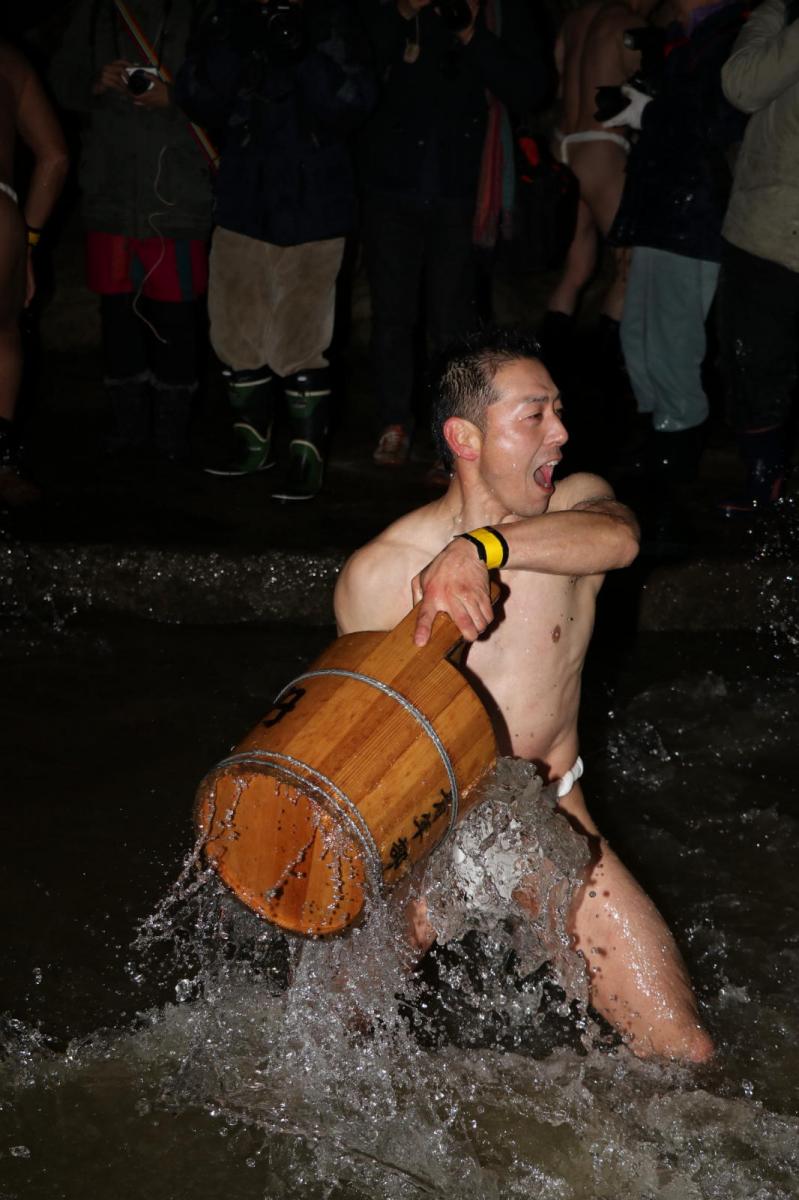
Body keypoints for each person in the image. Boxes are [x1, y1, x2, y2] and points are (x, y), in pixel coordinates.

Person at [334, 326, 714, 1063]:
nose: (561, 433)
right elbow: (364, 741)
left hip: (553, 824)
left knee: (684, 1053)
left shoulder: (575, 507)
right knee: (317, 1052)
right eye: (534, 415)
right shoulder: (377, 574)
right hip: (432, 838)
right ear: (464, 437)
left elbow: (621, 539)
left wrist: (481, 549)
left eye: (559, 411)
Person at [176, 0, 375, 500]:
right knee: (234, 329)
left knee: (302, 338)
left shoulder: (334, 16)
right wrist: (234, 40)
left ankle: (305, 458)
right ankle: (251, 446)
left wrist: (301, 50)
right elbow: (197, 98)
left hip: (316, 205)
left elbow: (352, 104)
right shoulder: (224, 14)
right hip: (244, 199)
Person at [356, 0, 553, 469]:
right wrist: (401, 16)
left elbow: (531, 89)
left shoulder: (499, 10)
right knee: (391, 317)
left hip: (464, 192)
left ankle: (454, 437)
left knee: (454, 324)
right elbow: (355, 78)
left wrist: (469, 31)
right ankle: (393, 423)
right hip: (390, 185)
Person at [50, 0, 215, 464]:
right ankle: (126, 429)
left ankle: (172, 434)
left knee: (178, 320)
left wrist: (175, 96)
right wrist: (95, 82)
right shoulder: (98, 11)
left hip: (178, 197)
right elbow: (56, 82)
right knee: (117, 313)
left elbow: (229, 90)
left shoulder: (202, 13)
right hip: (110, 195)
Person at [604, 0, 748, 525]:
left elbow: (718, 118)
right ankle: (657, 432)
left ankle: (676, 448)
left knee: (671, 337)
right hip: (665, 206)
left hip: (697, 210)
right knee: (639, 336)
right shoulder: (690, 38)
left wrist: (652, 111)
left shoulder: (732, 34)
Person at [716, 0, 799, 513]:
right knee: (757, 365)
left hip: (773, 231)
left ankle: (763, 482)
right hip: (772, 227)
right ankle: (764, 479)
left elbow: (741, 84)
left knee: (757, 363)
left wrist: (773, 7)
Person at [541, 0, 655, 365]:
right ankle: (609, 369)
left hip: (563, 144)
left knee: (576, 269)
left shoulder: (574, 20)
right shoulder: (629, 24)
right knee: (632, 263)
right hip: (600, 147)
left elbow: (559, 85)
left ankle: (548, 362)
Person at [0, 38, 68, 506]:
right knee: (3, 339)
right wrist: (27, 243)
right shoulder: (9, 58)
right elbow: (55, 157)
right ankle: (2, 463)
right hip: (0, 213)